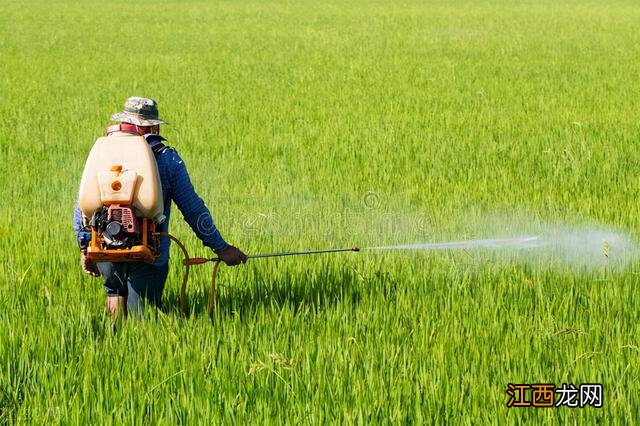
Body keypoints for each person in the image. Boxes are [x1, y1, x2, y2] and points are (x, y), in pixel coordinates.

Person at [73, 96, 247, 317]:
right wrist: (221, 248)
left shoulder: (103, 154)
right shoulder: (167, 159)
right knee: (143, 323)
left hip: (105, 250)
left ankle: (113, 343)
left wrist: (85, 247)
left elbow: (81, 206)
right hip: (149, 255)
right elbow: (193, 210)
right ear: (153, 126)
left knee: (114, 297)